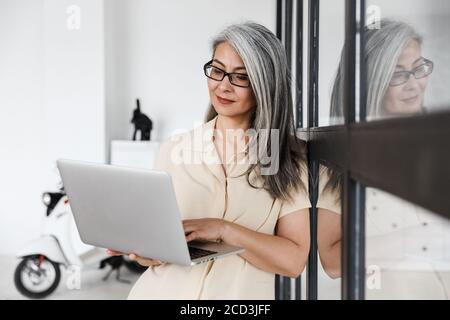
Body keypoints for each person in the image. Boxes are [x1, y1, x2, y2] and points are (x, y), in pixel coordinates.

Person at [108, 22, 311, 299]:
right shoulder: (174, 149)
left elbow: (293, 261)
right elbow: (155, 254)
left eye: (240, 77)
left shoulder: (287, 160)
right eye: (217, 71)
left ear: (266, 85)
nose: (223, 86)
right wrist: (144, 253)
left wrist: (223, 229)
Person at [317, 19, 434, 279]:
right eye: (398, 74)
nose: (414, 84)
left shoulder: (433, 147)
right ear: (371, 83)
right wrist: (426, 236)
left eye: (419, 69)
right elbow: (333, 261)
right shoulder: (337, 157)